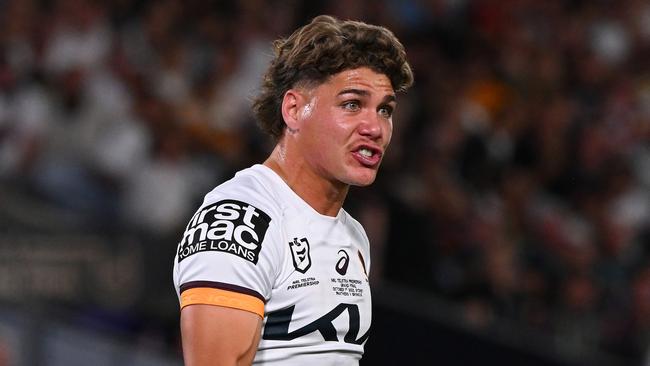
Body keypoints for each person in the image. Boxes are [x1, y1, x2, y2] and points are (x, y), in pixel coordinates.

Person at [173, 15, 413, 365]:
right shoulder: (240, 220)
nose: (374, 127)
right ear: (294, 109)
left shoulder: (353, 235)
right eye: (352, 104)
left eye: (385, 110)